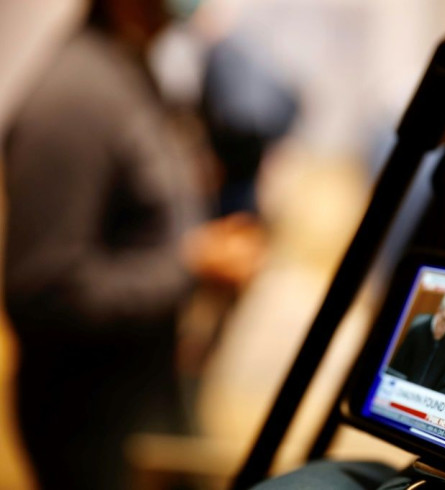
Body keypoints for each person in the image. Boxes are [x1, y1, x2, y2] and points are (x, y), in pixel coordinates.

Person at [2, 1, 260, 488]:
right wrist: (190, 266)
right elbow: (42, 287)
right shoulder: (75, 98)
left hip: (143, 390)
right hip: (89, 418)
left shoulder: (130, 69)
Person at [388, 292, 445, 395]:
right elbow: (398, 368)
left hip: (428, 400)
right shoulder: (418, 331)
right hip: (404, 393)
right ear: (439, 310)